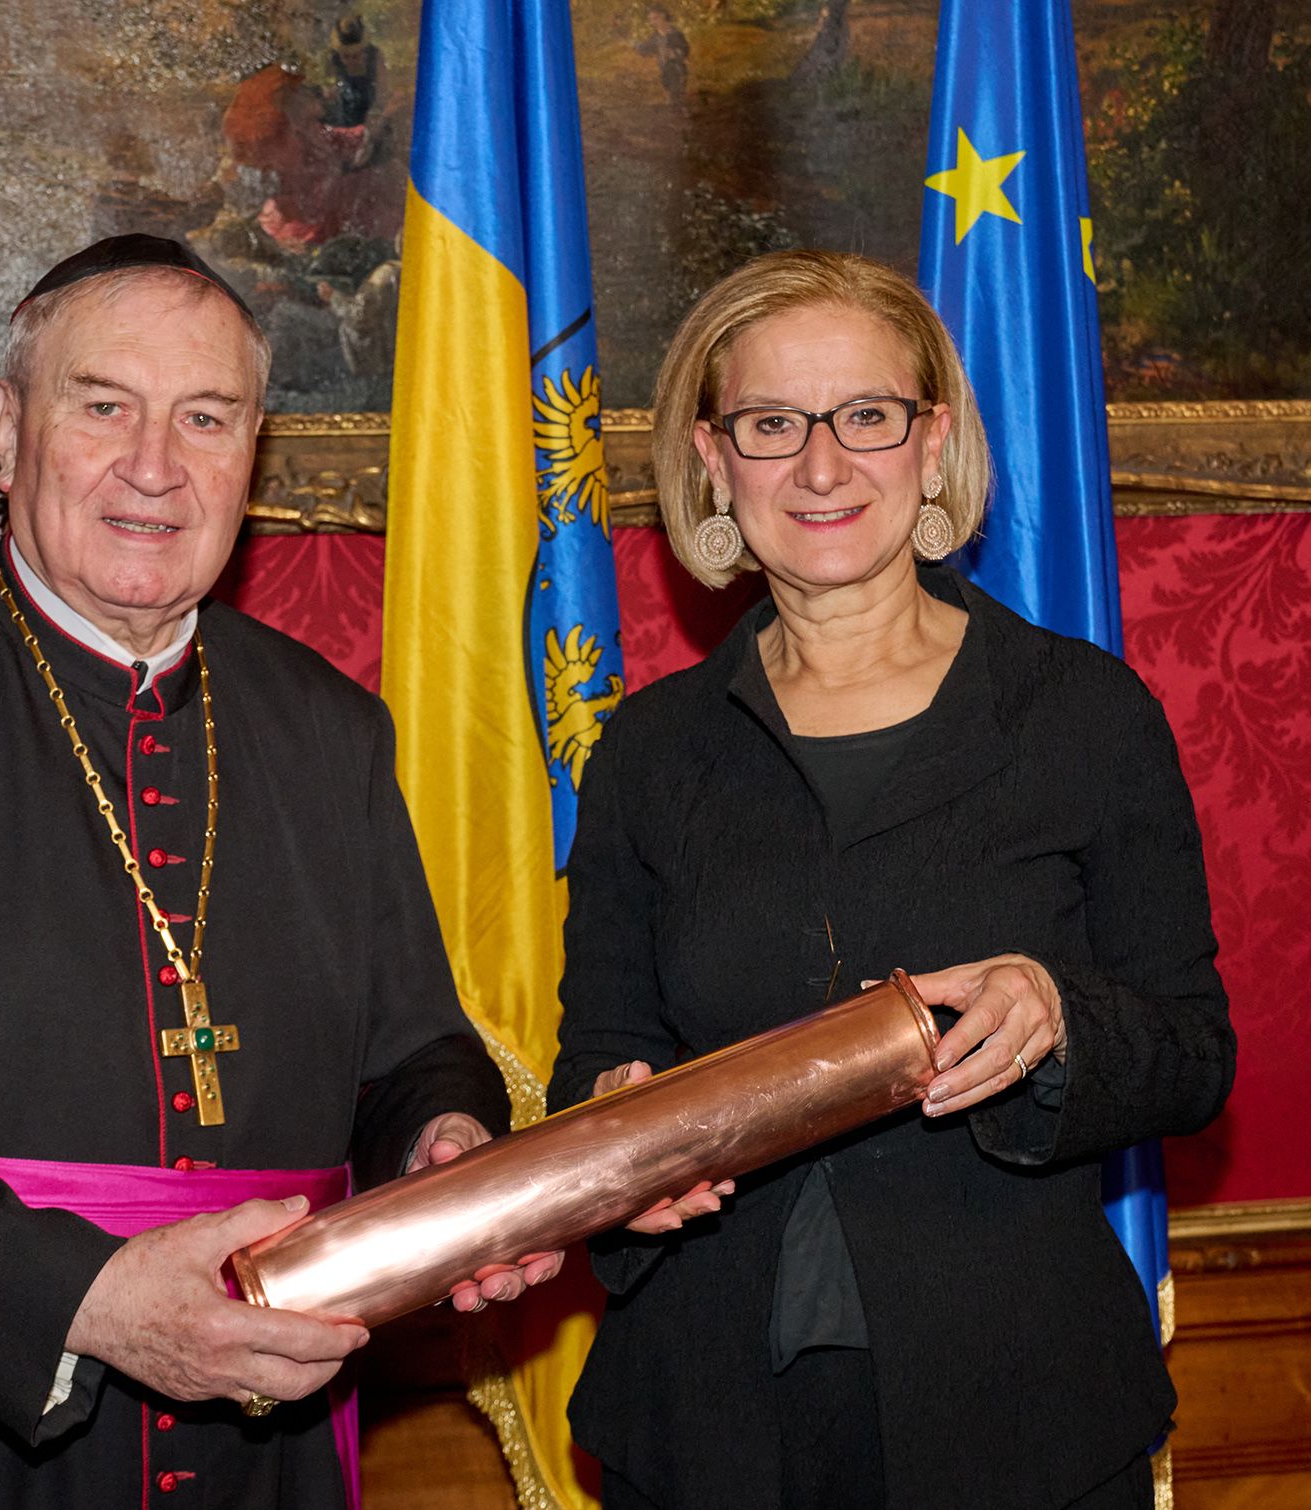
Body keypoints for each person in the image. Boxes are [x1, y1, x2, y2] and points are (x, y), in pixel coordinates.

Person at [0, 234, 557, 1509]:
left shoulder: (326, 728)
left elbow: (409, 1048)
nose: (155, 466)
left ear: (252, 451)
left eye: (205, 417)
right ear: (4, 425)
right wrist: (90, 1300)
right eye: (105, 407)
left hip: (267, 1435)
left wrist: (444, 1141)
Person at [546, 249, 1235, 1510]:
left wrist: (1058, 1017)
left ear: (932, 441)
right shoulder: (648, 754)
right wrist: (618, 1151)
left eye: (865, 415)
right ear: (712, 458)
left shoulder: (1081, 715)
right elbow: (597, 1056)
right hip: (702, 1425)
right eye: (771, 425)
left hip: (1022, 1415)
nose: (820, 466)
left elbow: (1193, 1055)